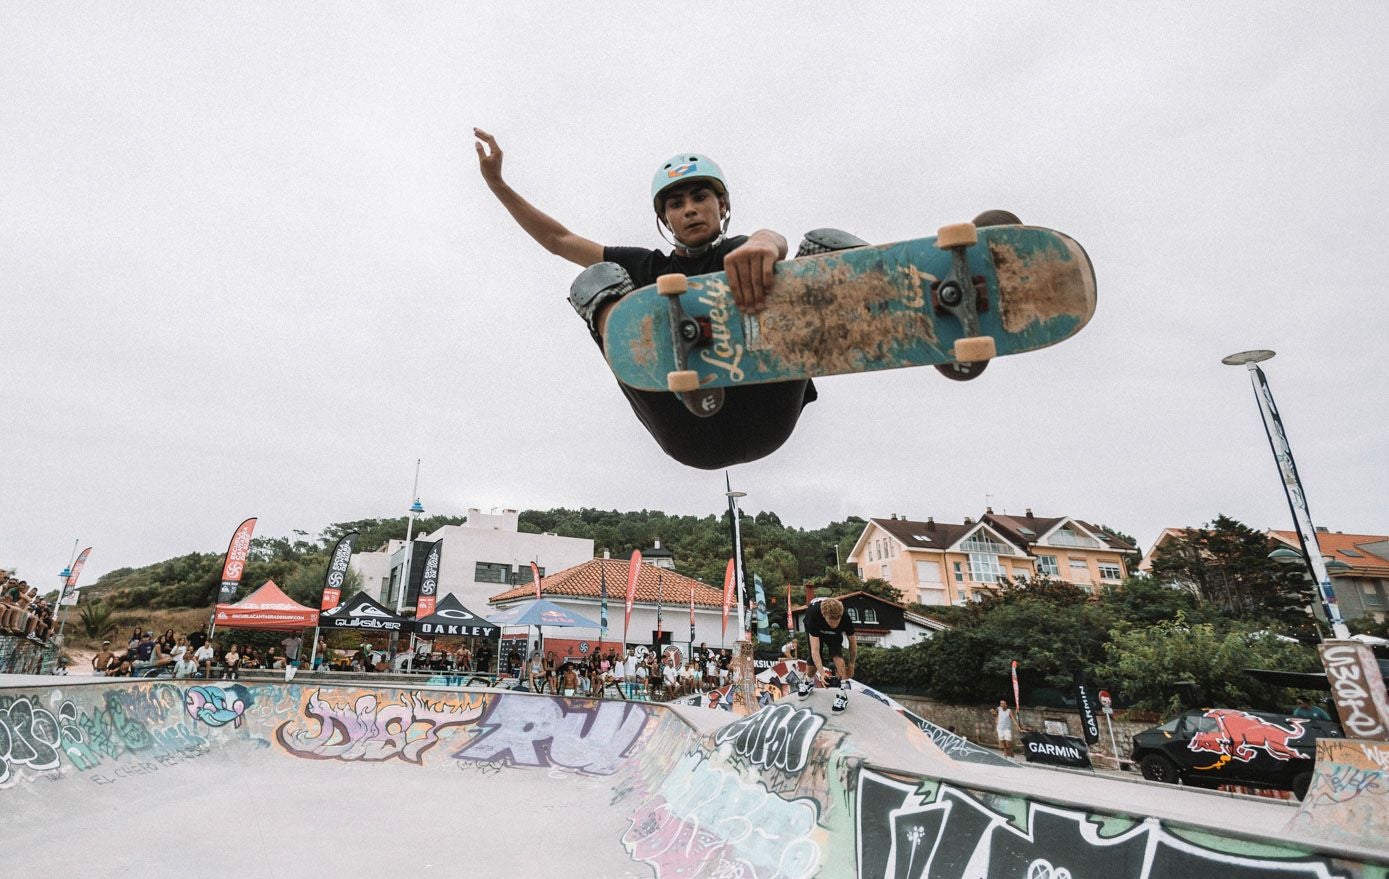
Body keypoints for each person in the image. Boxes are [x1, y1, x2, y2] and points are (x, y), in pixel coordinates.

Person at [476, 131, 822, 470]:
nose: (690, 210)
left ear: (722, 205)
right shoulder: (646, 267)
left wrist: (767, 240)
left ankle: (866, 318)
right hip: (688, 430)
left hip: (767, 412)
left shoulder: (740, 252)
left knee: (821, 249)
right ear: (665, 219)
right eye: (676, 204)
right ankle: (689, 380)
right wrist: (498, 185)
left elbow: (773, 241)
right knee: (597, 278)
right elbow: (559, 239)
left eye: (700, 197)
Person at [802, 597, 857, 713]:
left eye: (837, 620)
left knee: (837, 653)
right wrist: (821, 673)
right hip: (816, 629)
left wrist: (851, 665)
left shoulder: (845, 617)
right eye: (831, 620)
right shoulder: (814, 615)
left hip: (834, 635)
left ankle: (842, 693)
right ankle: (809, 681)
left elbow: (852, 643)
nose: (834, 624)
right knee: (813, 658)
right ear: (824, 615)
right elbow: (815, 651)